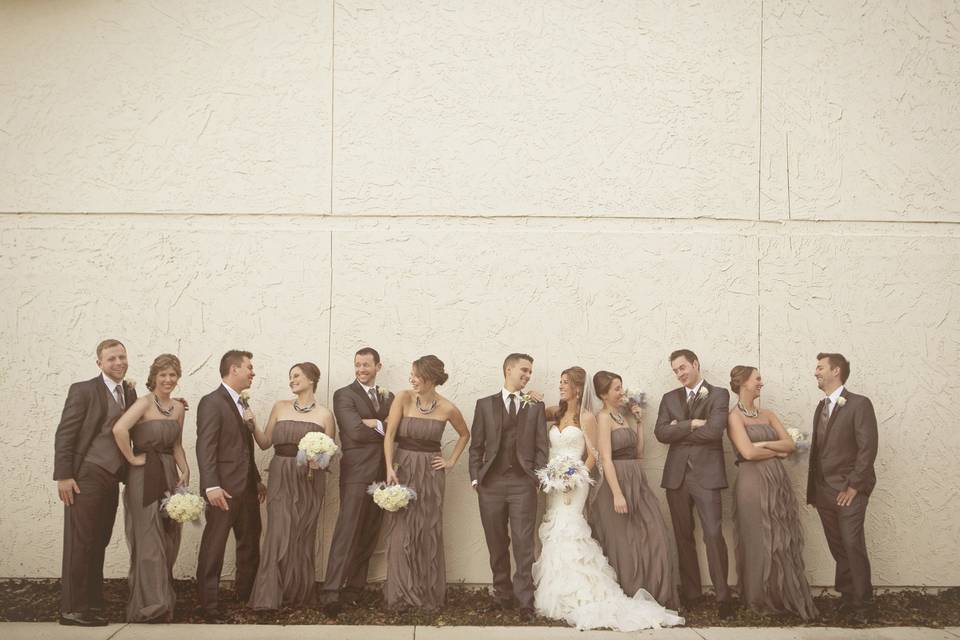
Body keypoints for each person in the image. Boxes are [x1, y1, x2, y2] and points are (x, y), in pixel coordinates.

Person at [532, 367, 683, 631]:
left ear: (579, 388)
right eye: (560, 382)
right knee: (555, 531)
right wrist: (531, 398)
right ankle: (558, 591)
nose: (561, 386)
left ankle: (582, 592)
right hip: (553, 483)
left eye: (565, 382)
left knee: (571, 530)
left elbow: (594, 455)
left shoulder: (589, 417)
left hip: (575, 483)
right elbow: (531, 414)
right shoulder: (556, 413)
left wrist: (574, 477)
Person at [53, 339, 137, 626]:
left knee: (98, 540)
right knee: (80, 542)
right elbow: (66, 433)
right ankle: (72, 609)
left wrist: (170, 407)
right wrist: (64, 475)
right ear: (99, 362)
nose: (118, 363)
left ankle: (91, 604)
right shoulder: (84, 390)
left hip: (111, 477)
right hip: (85, 475)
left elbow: (136, 423)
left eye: (122, 357)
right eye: (111, 358)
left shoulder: (129, 391)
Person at [727, 366, 817, 620]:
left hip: (777, 480)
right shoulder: (734, 417)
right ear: (744, 383)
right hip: (752, 482)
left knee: (780, 537)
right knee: (759, 537)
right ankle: (759, 596)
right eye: (757, 379)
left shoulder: (768, 414)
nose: (761, 383)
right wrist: (776, 452)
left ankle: (781, 595)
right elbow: (747, 453)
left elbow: (790, 444)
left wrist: (766, 444)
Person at [382, 355, 469, 610]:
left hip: (430, 475)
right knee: (401, 533)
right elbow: (389, 435)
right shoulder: (403, 397)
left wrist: (450, 461)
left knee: (427, 531)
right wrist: (389, 466)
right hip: (403, 470)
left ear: (430, 378)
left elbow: (465, 434)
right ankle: (400, 594)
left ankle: (425, 594)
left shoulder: (448, 408)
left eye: (416, 375)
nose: (411, 379)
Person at [248, 362, 335, 610]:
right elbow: (265, 443)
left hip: (309, 479)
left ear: (311, 379)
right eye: (290, 377)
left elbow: (331, 452)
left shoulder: (325, 415)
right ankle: (269, 595)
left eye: (296, 376)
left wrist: (320, 462)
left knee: (301, 534)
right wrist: (252, 423)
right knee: (277, 530)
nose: (291, 381)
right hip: (280, 474)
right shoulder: (280, 407)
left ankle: (297, 592)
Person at [654, 349, 734, 617]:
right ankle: (692, 594)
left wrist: (679, 429)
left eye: (683, 368)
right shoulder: (669, 398)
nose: (679, 374)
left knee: (713, 534)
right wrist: (690, 424)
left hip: (707, 476)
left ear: (696, 364)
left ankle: (724, 598)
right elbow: (660, 433)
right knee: (683, 536)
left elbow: (713, 432)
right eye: (675, 370)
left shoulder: (719, 394)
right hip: (676, 478)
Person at [468, 353, 548, 618]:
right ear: (508, 369)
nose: (527, 376)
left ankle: (525, 600)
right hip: (490, 485)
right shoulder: (484, 405)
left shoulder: (534, 406)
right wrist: (476, 477)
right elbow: (476, 446)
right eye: (523, 371)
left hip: (522, 484)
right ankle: (502, 595)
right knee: (496, 541)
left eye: (529, 373)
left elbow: (541, 447)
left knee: (524, 543)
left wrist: (536, 477)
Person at [588, 370, 677, 609]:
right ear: (604, 394)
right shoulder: (603, 418)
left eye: (621, 387)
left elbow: (638, 453)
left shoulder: (621, 415)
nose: (622, 392)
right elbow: (605, 459)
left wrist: (638, 423)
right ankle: (628, 593)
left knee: (654, 534)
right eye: (617, 388)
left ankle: (652, 592)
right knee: (624, 543)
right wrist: (617, 494)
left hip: (636, 481)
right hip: (616, 484)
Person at [112, 354, 189, 622]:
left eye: (173, 375)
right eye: (163, 375)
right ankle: (151, 605)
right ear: (154, 377)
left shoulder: (178, 408)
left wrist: (185, 469)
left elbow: (177, 444)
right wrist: (132, 458)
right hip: (144, 476)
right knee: (148, 537)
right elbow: (119, 429)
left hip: (168, 474)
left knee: (168, 535)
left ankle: (162, 598)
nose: (168, 380)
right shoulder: (142, 404)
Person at [320, 347, 394, 617]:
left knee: (370, 531)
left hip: (381, 473)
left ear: (378, 366)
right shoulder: (344, 394)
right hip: (356, 473)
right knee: (347, 530)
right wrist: (381, 425)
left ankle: (354, 589)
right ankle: (331, 592)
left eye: (366, 365)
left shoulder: (389, 396)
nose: (361, 369)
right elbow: (353, 431)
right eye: (357, 365)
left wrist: (373, 422)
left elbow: (396, 431)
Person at [807, 352, 878, 624]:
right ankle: (849, 599)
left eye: (820, 367)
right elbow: (821, 451)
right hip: (824, 492)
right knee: (838, 547)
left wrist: (854, 486)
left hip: (848, 490)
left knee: (852, 544)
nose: (816, 372)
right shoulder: (820, 407)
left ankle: (864, 606)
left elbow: (867, 448)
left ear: (836, 371)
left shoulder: (859, 404)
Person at [196, 350, 265, 619]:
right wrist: (211, 485)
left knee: (249, 541)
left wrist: (256, 479)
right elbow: (206, 446)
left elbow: (244, 447)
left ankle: (245, 596)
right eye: (249, 367)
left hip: (246, 488)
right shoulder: (212, 402)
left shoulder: (242, 403)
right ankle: (207, 604)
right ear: (233, 369)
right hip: (222, 490)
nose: (253, 372)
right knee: (215, 545)